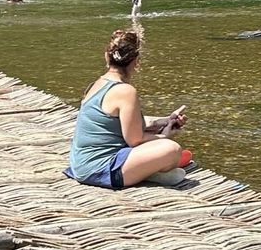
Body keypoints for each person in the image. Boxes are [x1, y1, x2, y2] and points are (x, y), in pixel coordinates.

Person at [66, 29, 191, 189]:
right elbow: (134, 139)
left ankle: (149, 172)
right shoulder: (125, 91)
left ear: (106, 56)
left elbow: (128, 123)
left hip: (82, 164)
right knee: (172, 150)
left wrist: (166, 120)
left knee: (162, 147)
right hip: (100, 168)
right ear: (136, 61)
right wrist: (165, 135)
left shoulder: (97, 84)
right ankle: (151, 173)